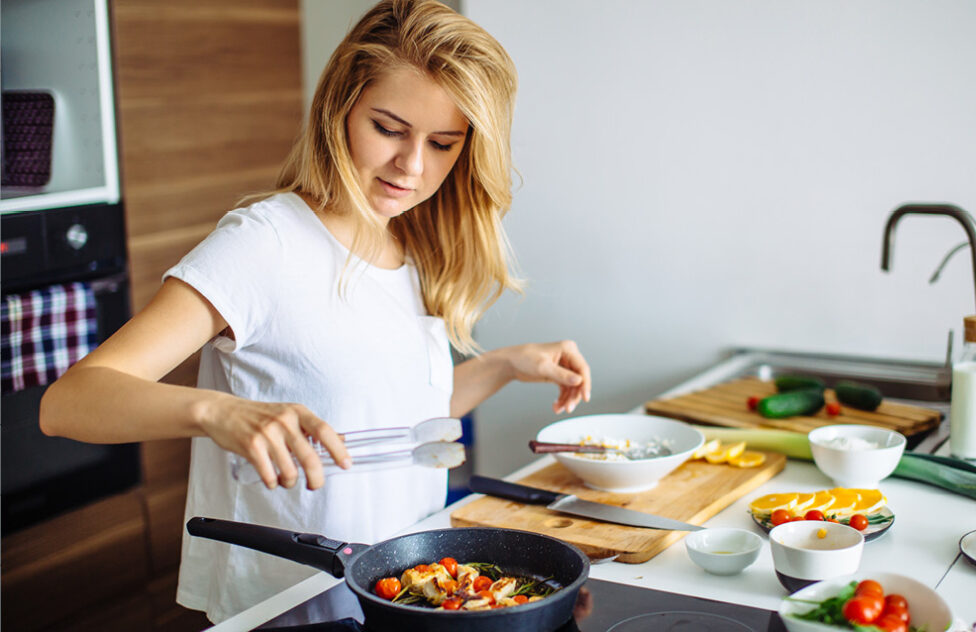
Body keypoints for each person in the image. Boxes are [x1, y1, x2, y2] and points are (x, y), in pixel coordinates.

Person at [39, 0, 591, 623]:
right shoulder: (264, 242)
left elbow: (385, 418)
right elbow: (69, 404)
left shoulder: (406, 242)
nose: (412, 166)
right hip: (292, 605)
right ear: (340, 106)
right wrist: (216, 410)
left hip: (404, 595)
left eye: (442, 143)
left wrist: (506, 366)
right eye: (388, 128)